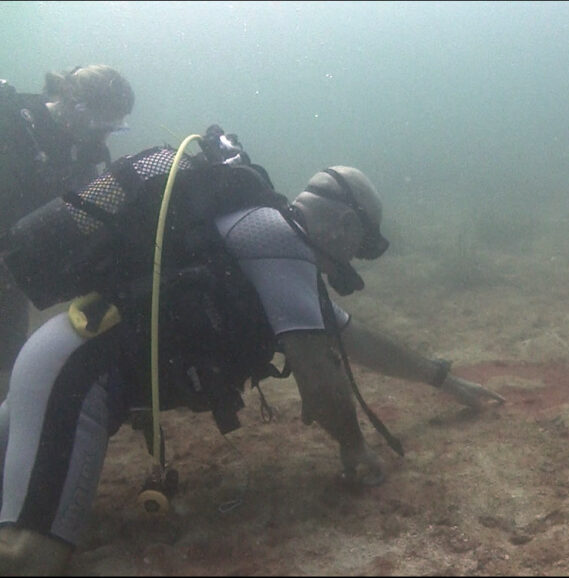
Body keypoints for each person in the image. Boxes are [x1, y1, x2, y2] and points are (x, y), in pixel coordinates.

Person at [0, 136, 505, 574]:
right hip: (76, 380)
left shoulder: (272, 241)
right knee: (31, 561)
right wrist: (354, 449)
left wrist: (444, 380)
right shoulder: (279, 242)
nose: (352, 262)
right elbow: (319, 377)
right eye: (362, 246)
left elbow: (354, 338)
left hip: (64, 361)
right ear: (347, 223)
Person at [0, 64, 134, 381]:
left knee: (8, 358)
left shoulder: (86, 153)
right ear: (75, 105)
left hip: (10, 270)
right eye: (100, 125)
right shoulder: (12, 122)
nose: (103, 136)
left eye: (113, 129)